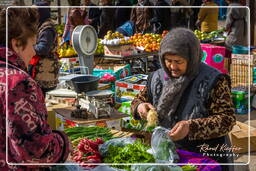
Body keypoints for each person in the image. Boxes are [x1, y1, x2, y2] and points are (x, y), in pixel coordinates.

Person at [131, 28, 236, 170]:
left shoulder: (213, 80)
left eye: (178, 61)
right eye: (168, 60)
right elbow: (137, 100)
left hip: (203, 158)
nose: (172, 66)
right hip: (166, 155)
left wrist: (190, 127)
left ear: (191, 58)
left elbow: (227, 120)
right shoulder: (157, 77)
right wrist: (139, 107)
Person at [0, 8, 70, 170]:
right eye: (33, 44)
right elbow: (36, 150)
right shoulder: (18, 83)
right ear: (16, 44)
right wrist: (63, 143)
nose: (34, 51)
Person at [29, 1, 60, 96]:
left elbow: (43, 48)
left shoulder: (47, 29)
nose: (32, 16)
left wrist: (28, 48)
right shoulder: (40, 25)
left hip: (45, 69)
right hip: (41, 68)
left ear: (40, 13)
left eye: (34, 13)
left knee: (40, 95)